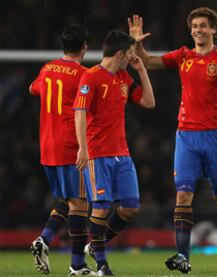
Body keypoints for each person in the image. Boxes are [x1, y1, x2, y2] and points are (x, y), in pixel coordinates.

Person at [129, 7, 217, 273]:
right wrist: (136, 42)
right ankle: (182, 255)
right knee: (183, 195)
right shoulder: (183, 55)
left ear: (214, 29)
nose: (198, 30)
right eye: (195, 26)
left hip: (215, 137)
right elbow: (147, 61)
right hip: (186, 136)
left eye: (203, 25)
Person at [74, 29, 155, 276]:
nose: (133, 57)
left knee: (131, 207)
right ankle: (102, 265)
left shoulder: (124, 78)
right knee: (100, 208)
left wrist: (142, 71)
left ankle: (94, 245)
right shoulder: (91, 77)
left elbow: (150, 102)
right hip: (98, 154)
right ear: (120, 53)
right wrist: (83, 148)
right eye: (130, 53)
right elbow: (80, 112)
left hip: (122, 154)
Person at [29, 24, 96, 276]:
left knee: (67, 200)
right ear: (85, 46)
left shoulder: (46, 69)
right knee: (80, 203)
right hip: (71, 145)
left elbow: (33, 89)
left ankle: (44, 239)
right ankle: (77, 266)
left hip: (47, 145)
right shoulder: (84, 74)